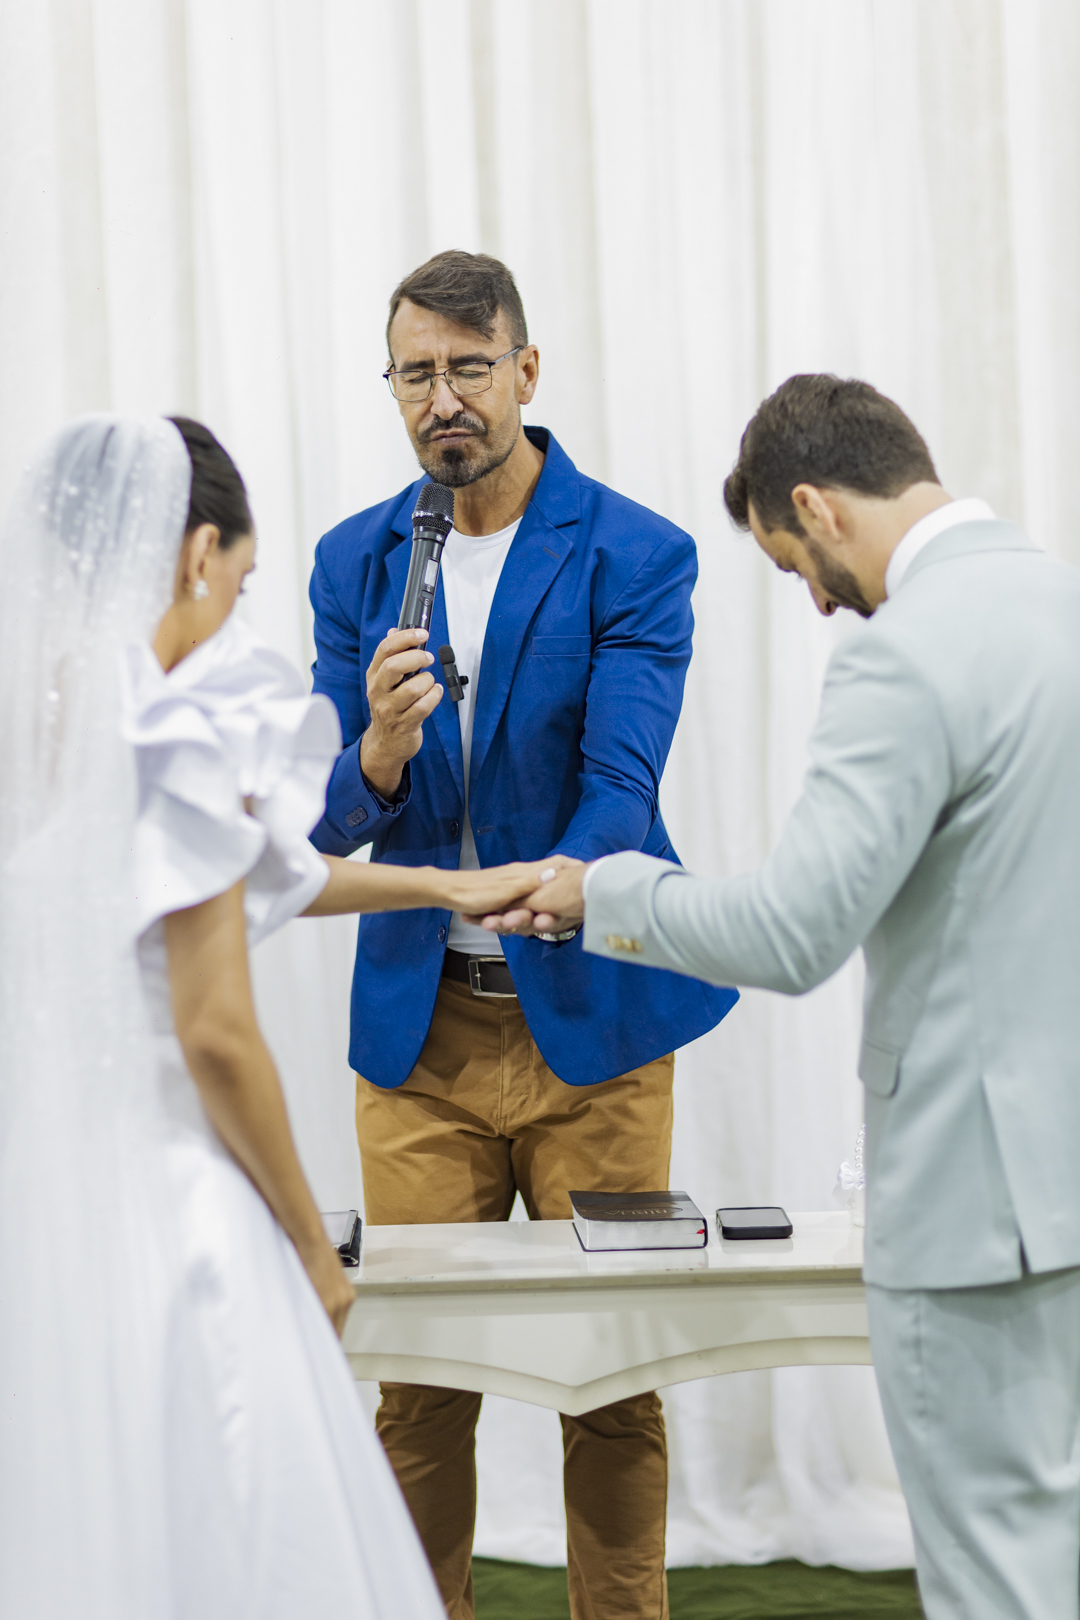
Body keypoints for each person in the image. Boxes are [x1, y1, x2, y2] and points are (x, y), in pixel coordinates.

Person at [488, 373, 1080, 1620]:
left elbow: (795, 931)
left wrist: (609, 893)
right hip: (1065, 1188)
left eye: (792, 562)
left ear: (814, 502)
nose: (816, 598)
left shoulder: (905, 658)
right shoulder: (1055, 600)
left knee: (997, 1581)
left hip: (978, 1215)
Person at [0, 413, 543, 1619]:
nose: (235, 616)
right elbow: (215, 1031)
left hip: (48, 1191)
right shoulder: (175, 726)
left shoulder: (50, 735)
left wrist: (442, 883)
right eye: (238, 583)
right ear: (196, 554)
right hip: (172, 1186)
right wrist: (308, 1243)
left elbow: (245, 875)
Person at [309, 249, 737, 1620]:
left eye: (469, 369)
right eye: (416, 374)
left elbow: (622, 788)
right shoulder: (353, 563)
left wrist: (545, 880)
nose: (445, 400)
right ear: (394, 388)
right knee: (418, 1391)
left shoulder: (637, 551)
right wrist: (377, 747)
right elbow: (326, 826)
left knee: (612, 1382)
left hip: (595, 1035)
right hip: (418, 1042)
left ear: (526, 373)